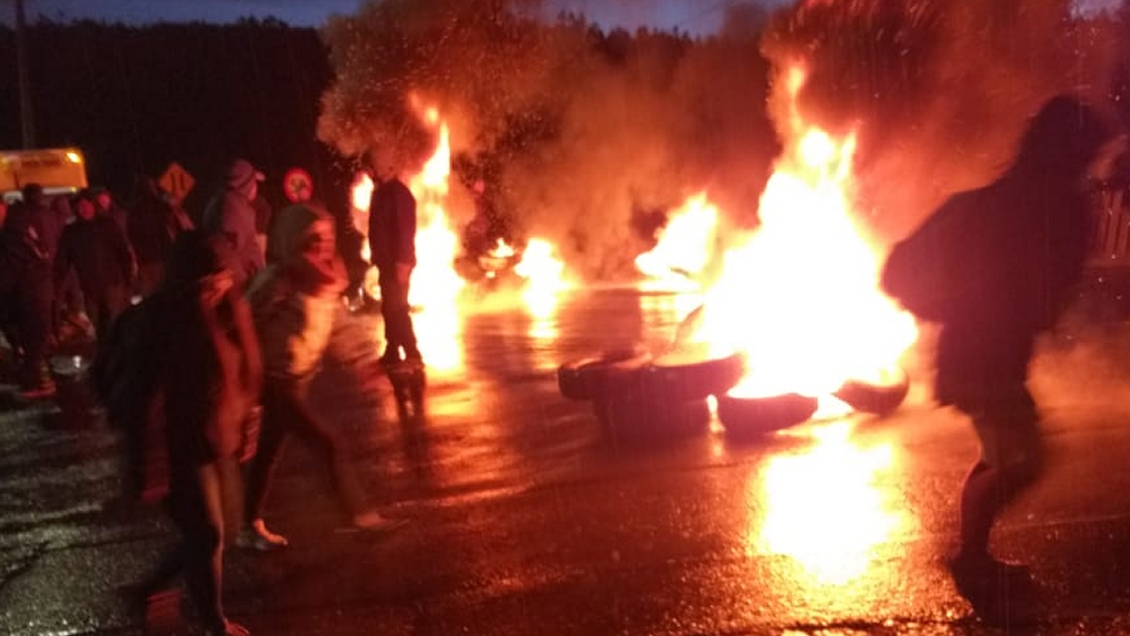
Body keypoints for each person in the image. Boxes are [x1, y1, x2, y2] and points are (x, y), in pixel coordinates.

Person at [881, 95, 1124, 608]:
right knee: (1024, 459)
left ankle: (972, 555)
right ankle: (970, 559)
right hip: (982, 357)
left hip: (981, 354)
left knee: (1003, 454)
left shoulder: (1016, 198)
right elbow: (1035, 288)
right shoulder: (1034, 207)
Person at [238, 202, 402, 550]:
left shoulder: (326, 279)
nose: (325, 243)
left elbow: (339, 328)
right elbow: (243, 319)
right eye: (316, 236)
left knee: (268, 452)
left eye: (328, 235)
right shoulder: (280, 279)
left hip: (300, 376)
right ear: (296, 238)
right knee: (329, 444)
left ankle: (247, 524)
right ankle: (358, 516)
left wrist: (363, 363)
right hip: (276, 379)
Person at [123, 230, 261, 636]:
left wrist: (248, 418)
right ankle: (213, 623)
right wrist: (149, 464)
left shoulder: (227, 307)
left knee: (224, 528)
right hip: (180, 442)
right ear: (191, 278)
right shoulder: (163, 320)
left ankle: (149, 589)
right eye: (212, 279)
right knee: (207, 532)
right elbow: (142, 397)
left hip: (219, 436)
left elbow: (245, 369)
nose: (222, 284)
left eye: (224, 276)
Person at [365, 147, 422, 366]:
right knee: (389, 306)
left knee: (397, 307)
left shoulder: (398, 194)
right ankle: (392, 349)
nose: (370, 171)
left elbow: (405, 231)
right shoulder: (381, 192)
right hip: (386, 261)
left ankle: (412, 351)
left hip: (397, 262)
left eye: (374, 166)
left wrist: (403, 263)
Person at [54, 190, 135, 343]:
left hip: (112, 284)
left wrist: (127, 279)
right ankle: (105, 354)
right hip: (90, 287)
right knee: (98, 324)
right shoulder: (72, 231)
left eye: (85, 205)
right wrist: (57, 283)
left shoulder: (107, 225)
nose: (82, 209)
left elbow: (123, 253)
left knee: (114, 322)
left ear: (92, 206)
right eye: (79, 207)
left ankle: (117, 353)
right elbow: (62, 261)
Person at [3, 184, 58, 396]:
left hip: (30, 289)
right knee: (35, 336)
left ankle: (36, 382)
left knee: (32, 337)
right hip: (39, 286)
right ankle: (36, 380)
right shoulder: (46, 218)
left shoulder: (16, 224)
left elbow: (15, 261)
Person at [203, 159, 266, 289]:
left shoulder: (229, 203)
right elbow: (227, 255)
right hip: (244, 290)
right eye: (255, 182)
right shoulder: (232, 210)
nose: (257, 187)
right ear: (247, 185)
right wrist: (244, 291)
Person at [128, 174, 194, 297]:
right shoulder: (161, 207)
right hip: (164, 258)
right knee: (169, 294)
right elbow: (176, 230)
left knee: (154, 298)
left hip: (147, 262)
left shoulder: (133, 212)